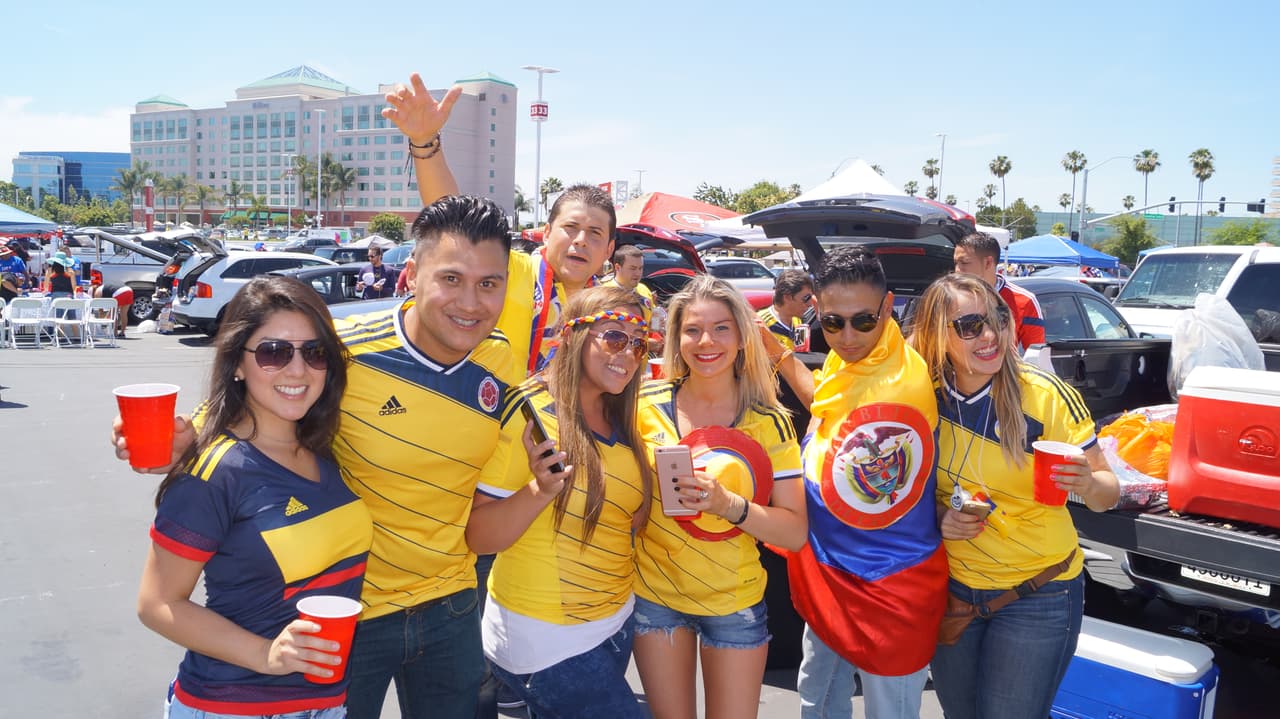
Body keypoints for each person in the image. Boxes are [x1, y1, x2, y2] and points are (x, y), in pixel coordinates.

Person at [116, 195, 521, 719]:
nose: (470, 302)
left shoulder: (501, 360)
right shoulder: (336, 349)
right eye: (451, 279)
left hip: (451, 604)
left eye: (489, 284)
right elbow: (258, 386)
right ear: (412, 274)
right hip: (350, 611)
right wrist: (181, 435)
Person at [137, 275, 374, 718]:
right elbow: (157, 604)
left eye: (315, 352)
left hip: (324, 703)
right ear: (237, 364)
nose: (298, 370)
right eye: (273, 352)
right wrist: (266, 654)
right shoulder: (215, 472)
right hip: (234, 705)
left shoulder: (325, 453)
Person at [907, 273, 1119, 719]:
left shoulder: (1045, 396)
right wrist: (943, 514)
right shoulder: (920, 398)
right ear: (936, 336)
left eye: (998, 319)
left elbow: (1108, 495)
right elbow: (903, 492)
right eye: (969, 326)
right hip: (954, 591)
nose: (990, 336)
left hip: (1038, 595)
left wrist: (1085, 482)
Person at [466, 285, 654, 717]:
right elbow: (480, 536)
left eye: (639, 343)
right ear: (571, 336)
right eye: (614, 337)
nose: (628, 353)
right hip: (543, 633)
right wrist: (540, 489)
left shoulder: (622, 416)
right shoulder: (528, 413)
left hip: (613, 623)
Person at [632, 275, 808, 719]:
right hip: (655, 598)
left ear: (743, 338)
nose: (705, 341)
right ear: (676, 338)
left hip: (734, 602)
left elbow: (794, 532)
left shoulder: (770, 421)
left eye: (721, 328)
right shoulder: (641, 403)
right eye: (692, 329)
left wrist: (728, 505)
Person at [787, 246, 948, 719]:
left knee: (889, 710)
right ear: (816, 310)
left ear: (889, 305)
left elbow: (849, 483)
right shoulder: (849, 362)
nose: (848, 335)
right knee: (817, 697)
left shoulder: (898, 384)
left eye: (863, 320)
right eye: (833, 323)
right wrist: (779, 357)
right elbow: (826, 405)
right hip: (832, 568)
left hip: (889, 580)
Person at [383, 72, 616, 376]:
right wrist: (424, 141)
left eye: (595, 233)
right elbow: (454, 224)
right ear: (546, 233)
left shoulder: (609, 308)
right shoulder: (512, 271)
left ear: (610, 249)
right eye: (570, 228)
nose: (580, 240)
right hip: (488, 416)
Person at [951, 233, 1044, 352]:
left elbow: (1036, 356)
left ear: (988, 263)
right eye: (955, 263)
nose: (957, 270)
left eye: (964, 263)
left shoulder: (1024, 301)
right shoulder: (949, 298)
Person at [757, 268, 818, 406]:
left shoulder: (798, 322)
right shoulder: (762, 324)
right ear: (787, 297)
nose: (809, 304)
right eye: (806, 298)